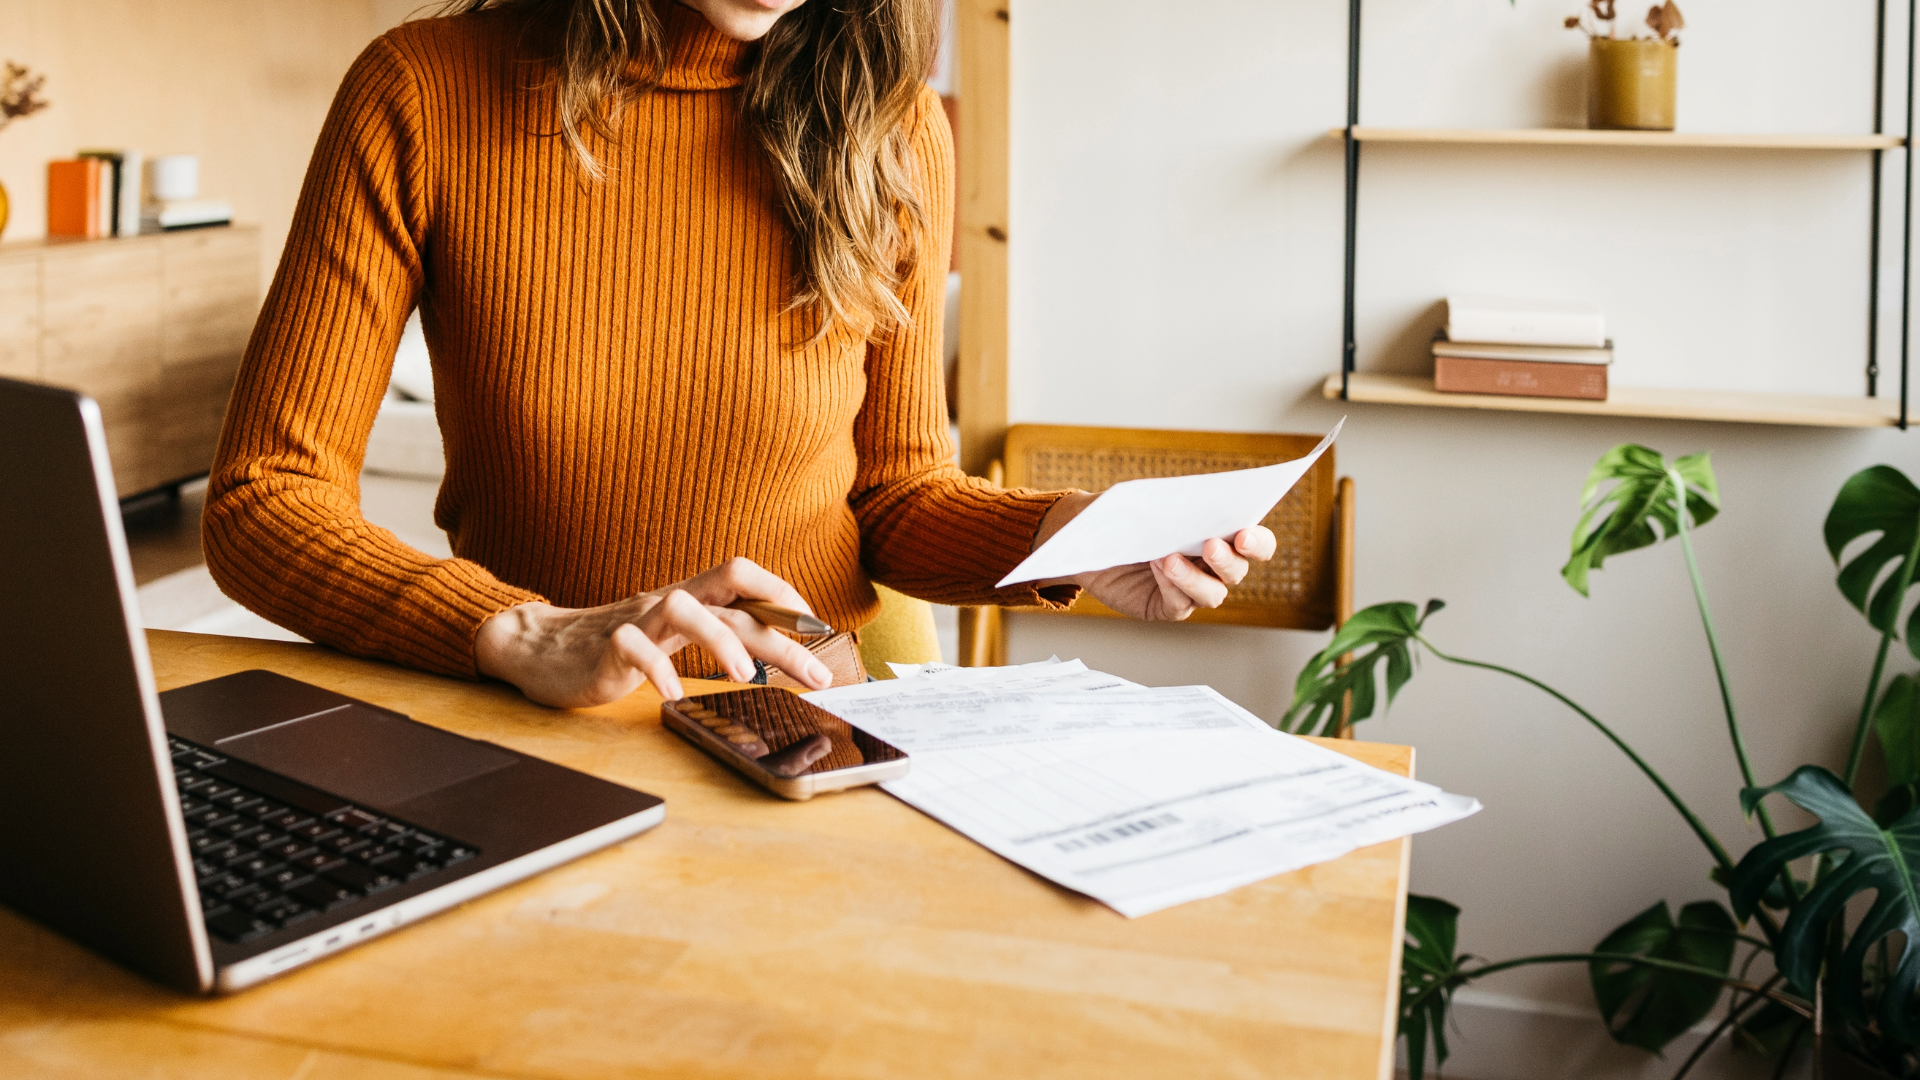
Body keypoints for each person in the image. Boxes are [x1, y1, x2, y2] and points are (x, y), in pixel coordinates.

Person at [203, 0, 1276, 709]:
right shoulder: (423, 94)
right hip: (535, 729)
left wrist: (1063, 539)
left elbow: (895, 496)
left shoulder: (891, 130)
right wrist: (517, 632)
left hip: (803, 729)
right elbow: (264, 500)